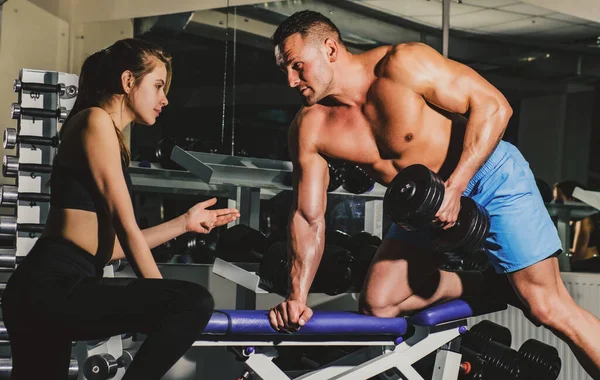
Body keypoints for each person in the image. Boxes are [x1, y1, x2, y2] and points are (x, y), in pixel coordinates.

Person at [267, 10, 600, 377]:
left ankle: (517, 289)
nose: (290, 80)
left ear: (330, 49)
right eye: (284, 70)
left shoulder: (402, 64)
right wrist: (296, 296)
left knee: (547, 308)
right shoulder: (310, 128)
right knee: (379, 304)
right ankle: (493, 284)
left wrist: (455, 186)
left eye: (297, 66)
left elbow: (493, 106)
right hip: (422, 207)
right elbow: (307, 216)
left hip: (488, 174)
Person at [1, 38, 240, 380]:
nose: (165, 99)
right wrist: (162, 297)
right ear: (128, 82)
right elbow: (126, 229)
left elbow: (111, 247)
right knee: (191, 302)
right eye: (158, 85)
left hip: (53, 288)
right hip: (50, 286)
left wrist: (184, 223)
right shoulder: (95, 121)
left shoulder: (108, 135)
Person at [553, 180, 600, 270]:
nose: (554, 202)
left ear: (572, 199)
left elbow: (579, 253)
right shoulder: (570, 220)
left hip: (587, 267)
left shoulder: (584, 219)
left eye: (558, 199)